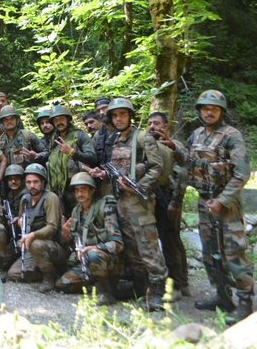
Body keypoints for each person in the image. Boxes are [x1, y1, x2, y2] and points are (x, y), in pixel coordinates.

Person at [89, 97, 167, 311]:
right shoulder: (116, 140)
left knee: (148, 248)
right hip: (121, 202)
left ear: (130, 116)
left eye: (123, 114)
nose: (119, 118)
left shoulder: (143, 138)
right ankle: (142, 291)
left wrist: (139, 186)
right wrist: (104, 173)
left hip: (139, 203)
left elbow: (156, 168)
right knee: (132, 249)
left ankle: (158, 293)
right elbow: (119, 169)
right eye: (115, 115)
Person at [182, 90, 253, 323]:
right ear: (199, 111)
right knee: (210, 252)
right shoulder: (196, 135)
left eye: (213, 108)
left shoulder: (232, 136)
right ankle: (222, 295)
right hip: (204, 202)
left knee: (233, 252)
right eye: (205, 108)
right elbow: (188, 164)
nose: (209, 112)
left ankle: (244, 301)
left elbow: (241, 174)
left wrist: (222, 201)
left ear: (221, 111)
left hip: (228, 205)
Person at [55, 173, 123, 304]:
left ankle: (106, 292)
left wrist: (95, 248)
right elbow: (73, 243)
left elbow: (118, 244)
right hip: (86, 263)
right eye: (77, 190)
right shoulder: (76, 211)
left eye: (84, 189)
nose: (80, 193)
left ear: (92, 190)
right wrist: (65, 234)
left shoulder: (105, 208)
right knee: (62, 284)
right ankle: (95, 285)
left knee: (93, 255)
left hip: (108, 261)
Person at [147, 112, 190, 298]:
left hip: (170, 198)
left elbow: (186, 167)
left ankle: (179, 284)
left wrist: (176, 202)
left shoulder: (175, 145)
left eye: (157, 123)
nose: (153, 126)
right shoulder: (148, 143)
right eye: (150, 123)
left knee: (171, 240)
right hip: (152, 197)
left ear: (165, 126)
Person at [7, 164, 67, 291]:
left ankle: (49, 276)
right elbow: (22, 221)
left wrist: (33, 235)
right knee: (13, 274)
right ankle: (42, 269)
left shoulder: (51, 198)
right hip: (33, 245)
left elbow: (52, 228)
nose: (32, 186)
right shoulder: (25, 199)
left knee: (35, 244)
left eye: (36, 182)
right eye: (28, 182)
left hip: (53, 246)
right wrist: (19, 222)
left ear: (43, 182)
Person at [46, 105, 97, 217]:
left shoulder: (79, 136)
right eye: (55, 120)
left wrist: (72, 152)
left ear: (68, 119)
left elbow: (92, 157)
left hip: (77, 189)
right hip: (59, 191)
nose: (59, 122)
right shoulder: (54, 140)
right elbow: (51, 156)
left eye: (61, 118)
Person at [0, 105, 44, 171]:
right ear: (2, 122)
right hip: (8, 179)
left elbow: (46, 152)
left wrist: (37, 156)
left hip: (27, 178)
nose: (9, 121)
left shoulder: (28, 136)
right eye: (6, 119)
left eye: (12, 118)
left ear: (17, 120)